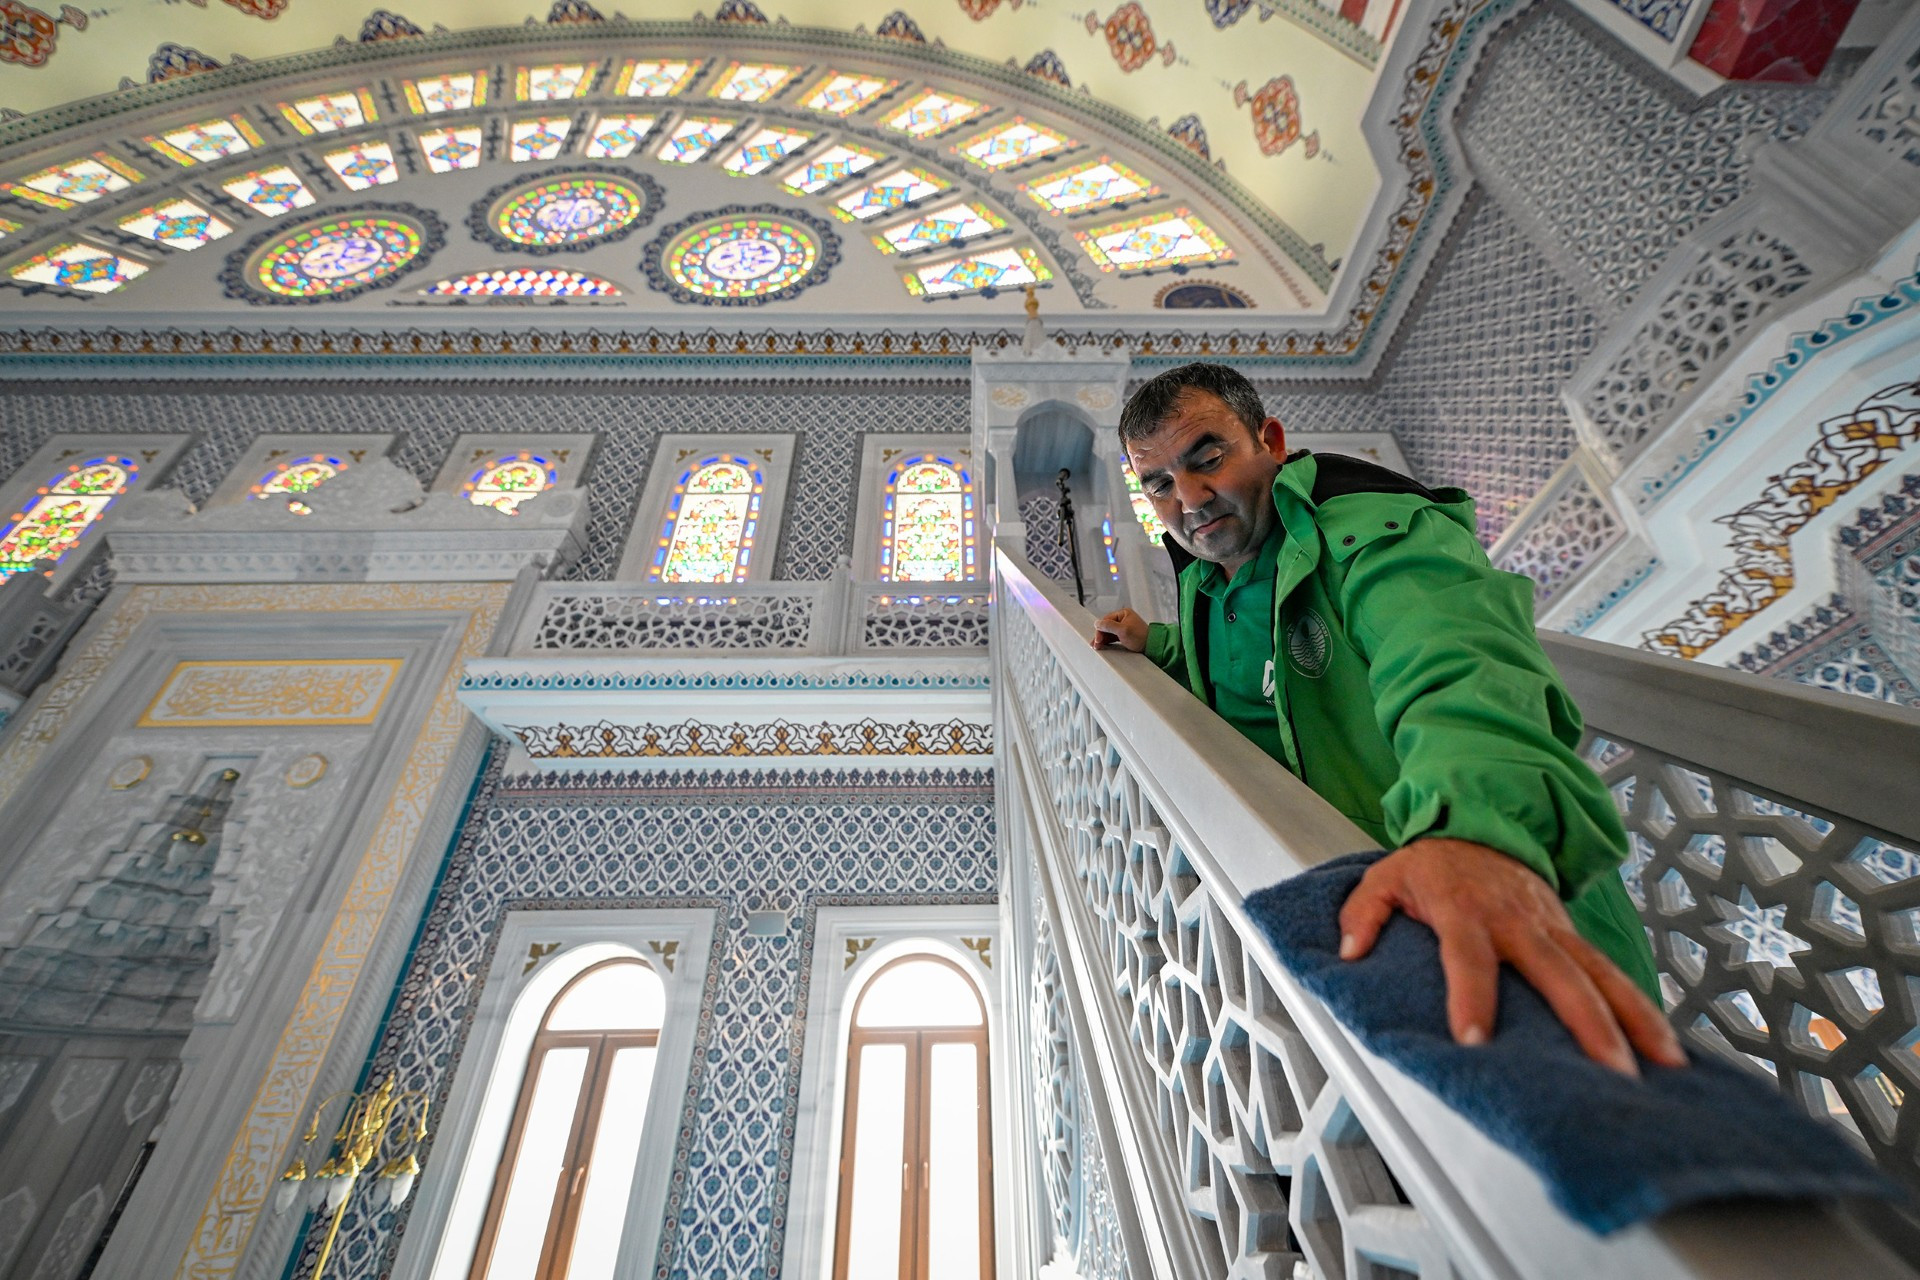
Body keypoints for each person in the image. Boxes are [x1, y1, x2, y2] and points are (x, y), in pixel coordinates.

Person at [1090, 363, 1684, 1076]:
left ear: (1270, 442)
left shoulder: (1375, 532)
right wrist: (1158, 644)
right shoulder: (1204, 585)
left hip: (1489, 911)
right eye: (1158, 484)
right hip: (1347, 936)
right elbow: (1244, 678)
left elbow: (1453, 664)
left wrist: (1468, 829)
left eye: (1208, 458)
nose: (1188, 497)